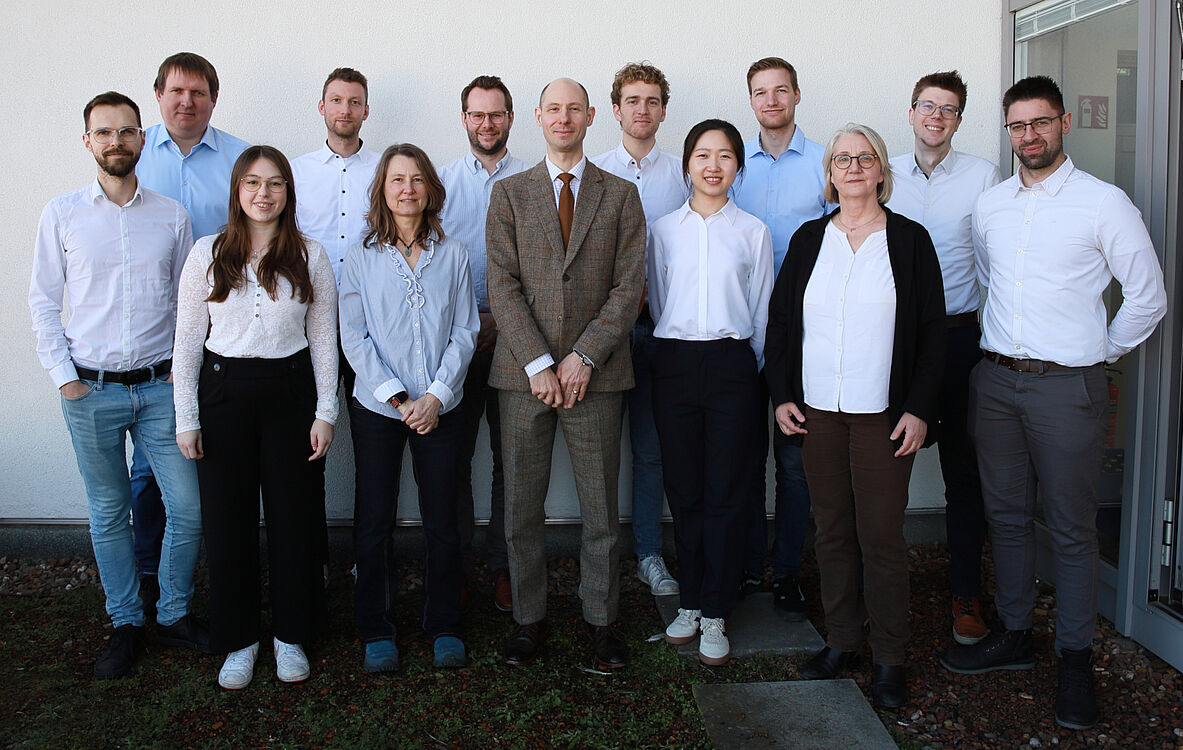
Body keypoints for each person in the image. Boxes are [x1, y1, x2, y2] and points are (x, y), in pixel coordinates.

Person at [941, 75, 1166, 731]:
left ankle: (1074, 659)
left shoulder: (1104, 203)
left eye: (1040, 122)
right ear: (1007, 131)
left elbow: (1147, 295)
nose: (1029, 135)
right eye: (1017, 125)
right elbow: (991, 281)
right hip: (995, 382)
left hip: (1067, 387)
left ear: (1064, 122)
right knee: (1006, 516)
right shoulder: (991, 206)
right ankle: (1015, 633)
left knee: (1070, 527)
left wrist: (1098, 351)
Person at [28, 91, 209, 679]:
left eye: (127, 131)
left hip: (159, 389)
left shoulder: (171, 216)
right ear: (88, 141)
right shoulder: (62, 214)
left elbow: (187, 305)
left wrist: (182, 375)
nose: (116, 141)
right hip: (92, 391)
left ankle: (173, 614)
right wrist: (65, 380)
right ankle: (126, 622)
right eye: (104, 132)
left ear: (142, 139)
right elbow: (42, 301)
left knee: (188, 509)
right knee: (109, 513)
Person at [766, 123, 946, 708]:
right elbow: (781, 323)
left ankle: (891, 655)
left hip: (883, 417)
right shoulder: (808, 239)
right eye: (842, 159)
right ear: (830, 173)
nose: (853, 167)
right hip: (817, 412)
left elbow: (933, 334)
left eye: (865, 158)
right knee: (832, 531)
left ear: (881, 170)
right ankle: (842, 640)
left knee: (882, 538)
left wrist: (919, 409)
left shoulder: (910, 241)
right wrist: (782, 394)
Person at [486, 77, 646, 670]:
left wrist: (584, 356)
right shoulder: (509, 194)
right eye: (553, 108)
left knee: (600, 509)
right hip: (523, 377)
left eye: (573, 109)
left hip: (595, 376)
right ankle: (529, 620)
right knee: (522, 508)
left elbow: (629, 286)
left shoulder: (620, 195)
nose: (563, 117)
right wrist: (537, 361)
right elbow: (501, 283)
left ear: (590, 116)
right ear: (537, 117)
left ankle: (602, 621)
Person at [173, 145, 338, 690]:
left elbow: (323, 339)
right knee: (228, 523)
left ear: (288, 192)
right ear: (237, 190)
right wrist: (186, 417)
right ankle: (239, 639)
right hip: (224, 396)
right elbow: (187, 343)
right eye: (252, 182)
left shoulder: (310, 255)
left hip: (291, 395)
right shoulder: (207, 253)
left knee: (295, 520)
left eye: (274, 183)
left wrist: (326, 411)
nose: (263, 193)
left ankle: (291, 634)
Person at [340, 144, 479, 672]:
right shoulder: (362, 256)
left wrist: (435, 396)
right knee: (374, 518)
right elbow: (354, 336)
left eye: (417, 179)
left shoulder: (454, 253)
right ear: (382, 188)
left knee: (442, 518)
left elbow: (465, 330)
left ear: (430, 190)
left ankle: (445, 624)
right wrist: (399, 398)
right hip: (380, 409)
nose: (407, 189)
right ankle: (376, 628)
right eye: (397, 179)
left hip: (441, 405)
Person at [650, 119, 774, 665]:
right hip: (676, 362)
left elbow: (762, 307)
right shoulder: (664, 230)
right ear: (687, 165)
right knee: (684, 488)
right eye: (703, 155)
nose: (713, 166)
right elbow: (658, 297)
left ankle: (718, 609)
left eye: (725, 156)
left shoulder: (753, 231)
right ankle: (691, 601)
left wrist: (746, 365)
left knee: (726, 487)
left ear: (738, 168)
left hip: (732, 364)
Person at [132, 52, 250, 611]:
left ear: (213, 100)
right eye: (176, 91)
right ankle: (148, 577)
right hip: (153, 337)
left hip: (224, 333)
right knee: (149, 468)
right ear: (158, 95)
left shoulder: (238, 159)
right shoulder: (134, 154)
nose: (187, 102)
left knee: (216, 453)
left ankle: (213, 573)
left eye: (198, 93)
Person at [886, 71, 1000, 645]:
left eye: (948, 109)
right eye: (927, 106)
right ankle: (878, 596)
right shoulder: (882, 173)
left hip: (958, 341)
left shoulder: (983, 177)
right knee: (885, 472)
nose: (936, 116)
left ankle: (965, 594)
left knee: (963, 472)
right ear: (911, 113)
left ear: (959, 120)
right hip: (893, 345)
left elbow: (994, 265)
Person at [733, 57, 828, 617]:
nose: (771, 101)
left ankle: (788, 571)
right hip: (743, 328)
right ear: (751, 100)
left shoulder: (824, 162)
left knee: (794, 463)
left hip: (802, 333)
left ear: (796, 95)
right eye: (761, 92)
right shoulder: (732, 163)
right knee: (746, 458)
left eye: (781, 90)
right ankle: (748, 565)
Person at [591, 61, 688, 599]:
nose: (642, 110)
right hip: (602, 334)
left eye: (652, 101)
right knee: (598, 451)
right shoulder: (593, 173)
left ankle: (649, 553)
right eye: (632, 100)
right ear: (615, 110)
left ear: (664, 111)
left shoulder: (684, 174)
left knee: (650, 450)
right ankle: (600, 559)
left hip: (661, 329)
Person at [438, 75, 529, 613]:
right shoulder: (441, 183)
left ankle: (503, 566)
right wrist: (472, 324)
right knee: (452, 457)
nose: (486, 124)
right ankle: (455, 567)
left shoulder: (536, 180)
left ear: (511, 118)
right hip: (456, 343)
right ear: (464, 119)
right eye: (477, 115)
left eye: (496, 114)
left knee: (511, 462)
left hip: (520, 344)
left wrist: (506, 322)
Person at [290, 66, 380, 582]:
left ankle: (368, 561)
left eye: (355, 101)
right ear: (321, 107)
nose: (345, 110)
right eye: (337, 100)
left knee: (374, 451)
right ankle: (314, 561)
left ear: (366, 110)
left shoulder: (385, 170)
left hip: (371, 332)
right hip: (310, 331)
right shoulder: (295, 172)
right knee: (309, 450)